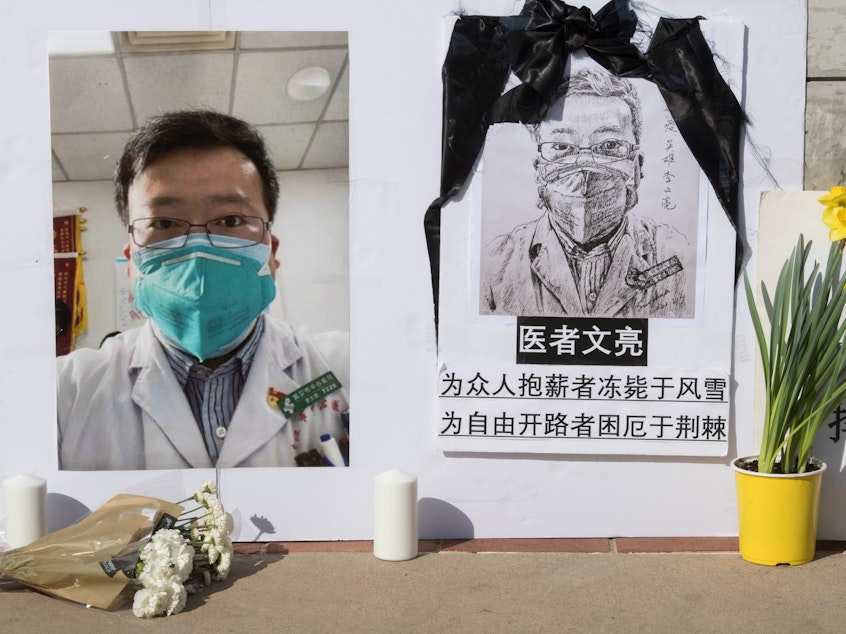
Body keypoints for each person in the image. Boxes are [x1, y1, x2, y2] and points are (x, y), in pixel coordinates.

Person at [57, 110, 349, 470]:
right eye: (163, 223)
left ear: (270, 254)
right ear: (133, 262)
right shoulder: (64, 394)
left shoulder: (351, 369)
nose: (197, 249)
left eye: (231, 220)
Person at [480, 67, 690, 319]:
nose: (584, 168)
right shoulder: (496, 264)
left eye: (609, 145)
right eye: (561, 147)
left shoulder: (675, 253)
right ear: (538, 169)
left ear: (636, 167)